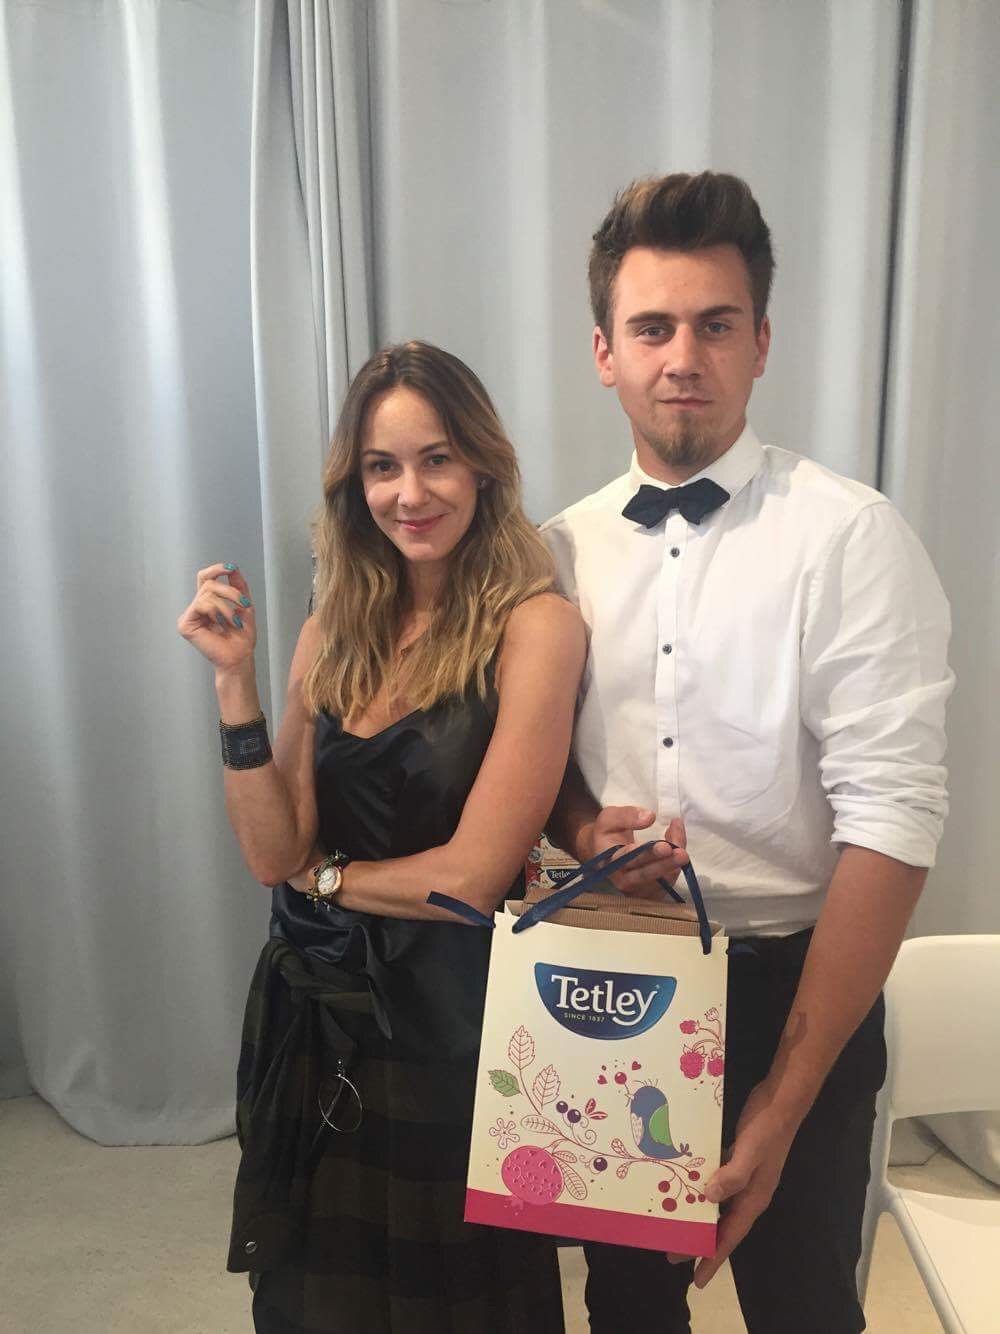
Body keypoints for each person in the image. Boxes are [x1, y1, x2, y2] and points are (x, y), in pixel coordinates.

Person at [542, 172, 953, 1333]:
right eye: (652, 327)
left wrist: (781, 1095)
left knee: (802, 1307)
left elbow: (892, 817)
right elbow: (537, 764)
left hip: (795, 986)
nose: (683, 357)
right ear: (603, 351)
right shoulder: (557, 550)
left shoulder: (851, 537)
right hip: (620, 975)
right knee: (627, 1306)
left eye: (715, 325)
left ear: (761, 342)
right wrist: (580, 827)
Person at [177, 341, 585, 1333]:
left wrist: (322, 877)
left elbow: (471, 877)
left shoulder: (535, 627)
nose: (410, 493)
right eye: (382, 466)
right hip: (315, 1014)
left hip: (451, 1028)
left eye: (436, 458)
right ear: (354, 485)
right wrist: (234, 683)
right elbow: (270, 851)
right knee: (318, 1294)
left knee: (454, 1303)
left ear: (482, 464)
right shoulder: (333, 628)